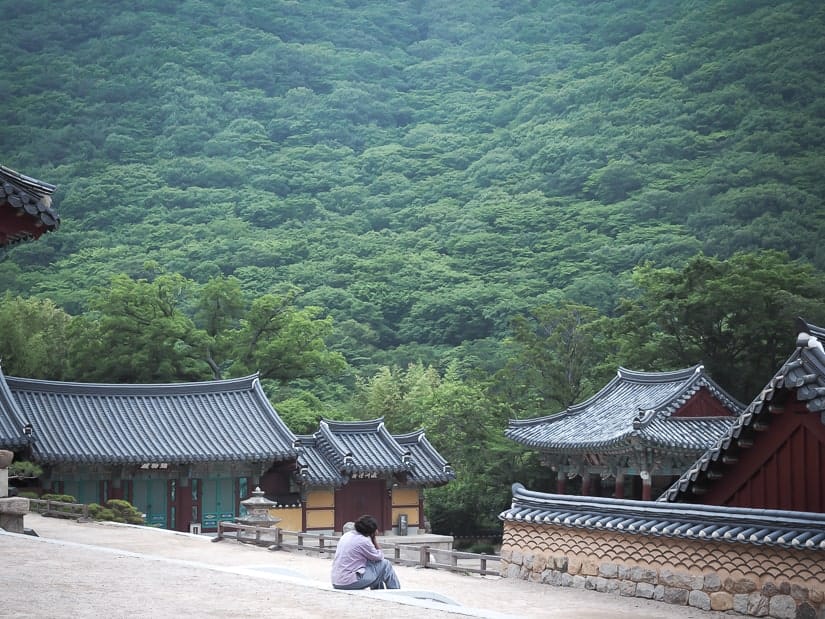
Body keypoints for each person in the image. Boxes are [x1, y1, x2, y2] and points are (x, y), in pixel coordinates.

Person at [330, 514, 401, 590]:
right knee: (385, 564)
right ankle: (396, 591)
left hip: (336, 581)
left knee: (374, 566)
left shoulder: (346, 535)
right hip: (349, 582)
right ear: (371, 531)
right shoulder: (363, 541)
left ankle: (379, 591)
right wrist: (374, 539)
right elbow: (379, 557)